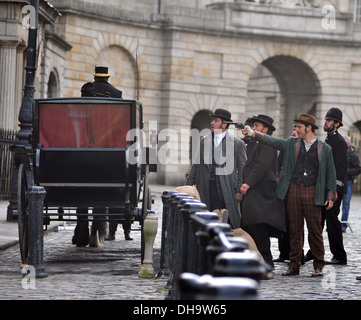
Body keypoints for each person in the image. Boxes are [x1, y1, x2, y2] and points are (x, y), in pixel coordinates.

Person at [244, 113, 337, 277]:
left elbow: (331, 173)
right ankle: (294, 265)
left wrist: (330, 195)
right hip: (293, 190)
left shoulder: (325, 148)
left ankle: (318, 265)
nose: (297, 129)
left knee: (315, 230)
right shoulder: (291, 143)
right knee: (294, 230)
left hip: (313, 193)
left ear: (309, 128)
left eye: (300, 127)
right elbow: (272, 141)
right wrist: (253, 133)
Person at [73, 66, 131, 247]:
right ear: (107, 78)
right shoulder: (116, 93)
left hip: (86, 144)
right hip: (108, 146)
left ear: (95, 77)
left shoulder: (87, 90)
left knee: (82, 189)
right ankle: (96, 233)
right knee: (101, 190)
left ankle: (81, 230)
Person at [185, 108, 247, 229]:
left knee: (225, 223)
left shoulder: (237, 144)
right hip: (205, 188)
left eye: (216, 120)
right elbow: (195, 166)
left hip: (226, 190)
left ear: (224, 124)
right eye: (212, 120)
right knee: (205, 221)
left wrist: (239, 190)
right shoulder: (204, 140)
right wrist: (187, 187)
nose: (212, 123)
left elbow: (242, 169)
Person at [240, 114, 286, 270]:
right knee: (251, 223)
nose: (253, 128)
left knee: (259, 223)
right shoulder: (256, 142)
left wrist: (247, 183)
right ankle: (257, 258)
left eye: (257, 126)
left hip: (263, 189)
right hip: (256, 189)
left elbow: (261, 166)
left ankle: (267, 260)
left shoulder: (267, 144)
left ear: (265, 129)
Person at [322, 107, 348, 265]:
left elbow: (340, 169)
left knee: (332, 222)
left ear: (337, 124)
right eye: (326, 119)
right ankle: (314, 252)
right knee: (319, 221)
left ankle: (339, 255)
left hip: (334, 190)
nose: (326, 122)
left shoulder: (339, 142)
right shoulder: (328, 139)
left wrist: (334, 191)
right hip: (325, 188)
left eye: (329, 120)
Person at [274, 123, 299, 263]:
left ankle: (296, 254)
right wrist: (278, 175)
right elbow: (278, 164)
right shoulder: (287, 144)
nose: (294, 131)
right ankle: (283, 252)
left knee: (294, 223)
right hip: (284, 188)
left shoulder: (302, 147)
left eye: (297, 129)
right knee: (282, 221)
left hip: (296, 188)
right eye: (293, 129)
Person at [341, 135, 361, 232]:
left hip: (348, 181)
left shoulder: (353, 155)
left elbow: (358, 169)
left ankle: (343, 225)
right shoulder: (339, 152)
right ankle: (334, 225)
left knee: (345, 204)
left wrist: (346, 171)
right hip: (339, 181)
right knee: (335, 204)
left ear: (348, 143)